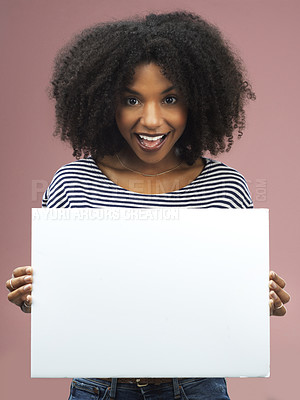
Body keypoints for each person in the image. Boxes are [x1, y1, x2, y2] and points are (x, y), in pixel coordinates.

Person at [6, 11, 290, 400]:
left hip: (197, 388)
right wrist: (34, 297)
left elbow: (223, 307)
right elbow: (65, 306)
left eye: (170, 99)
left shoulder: (226, 187)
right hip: (99, 387)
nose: (152, 120)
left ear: (199, 103)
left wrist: (258, 303)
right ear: (106, 102)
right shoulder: (73, 183)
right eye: (131, 99)